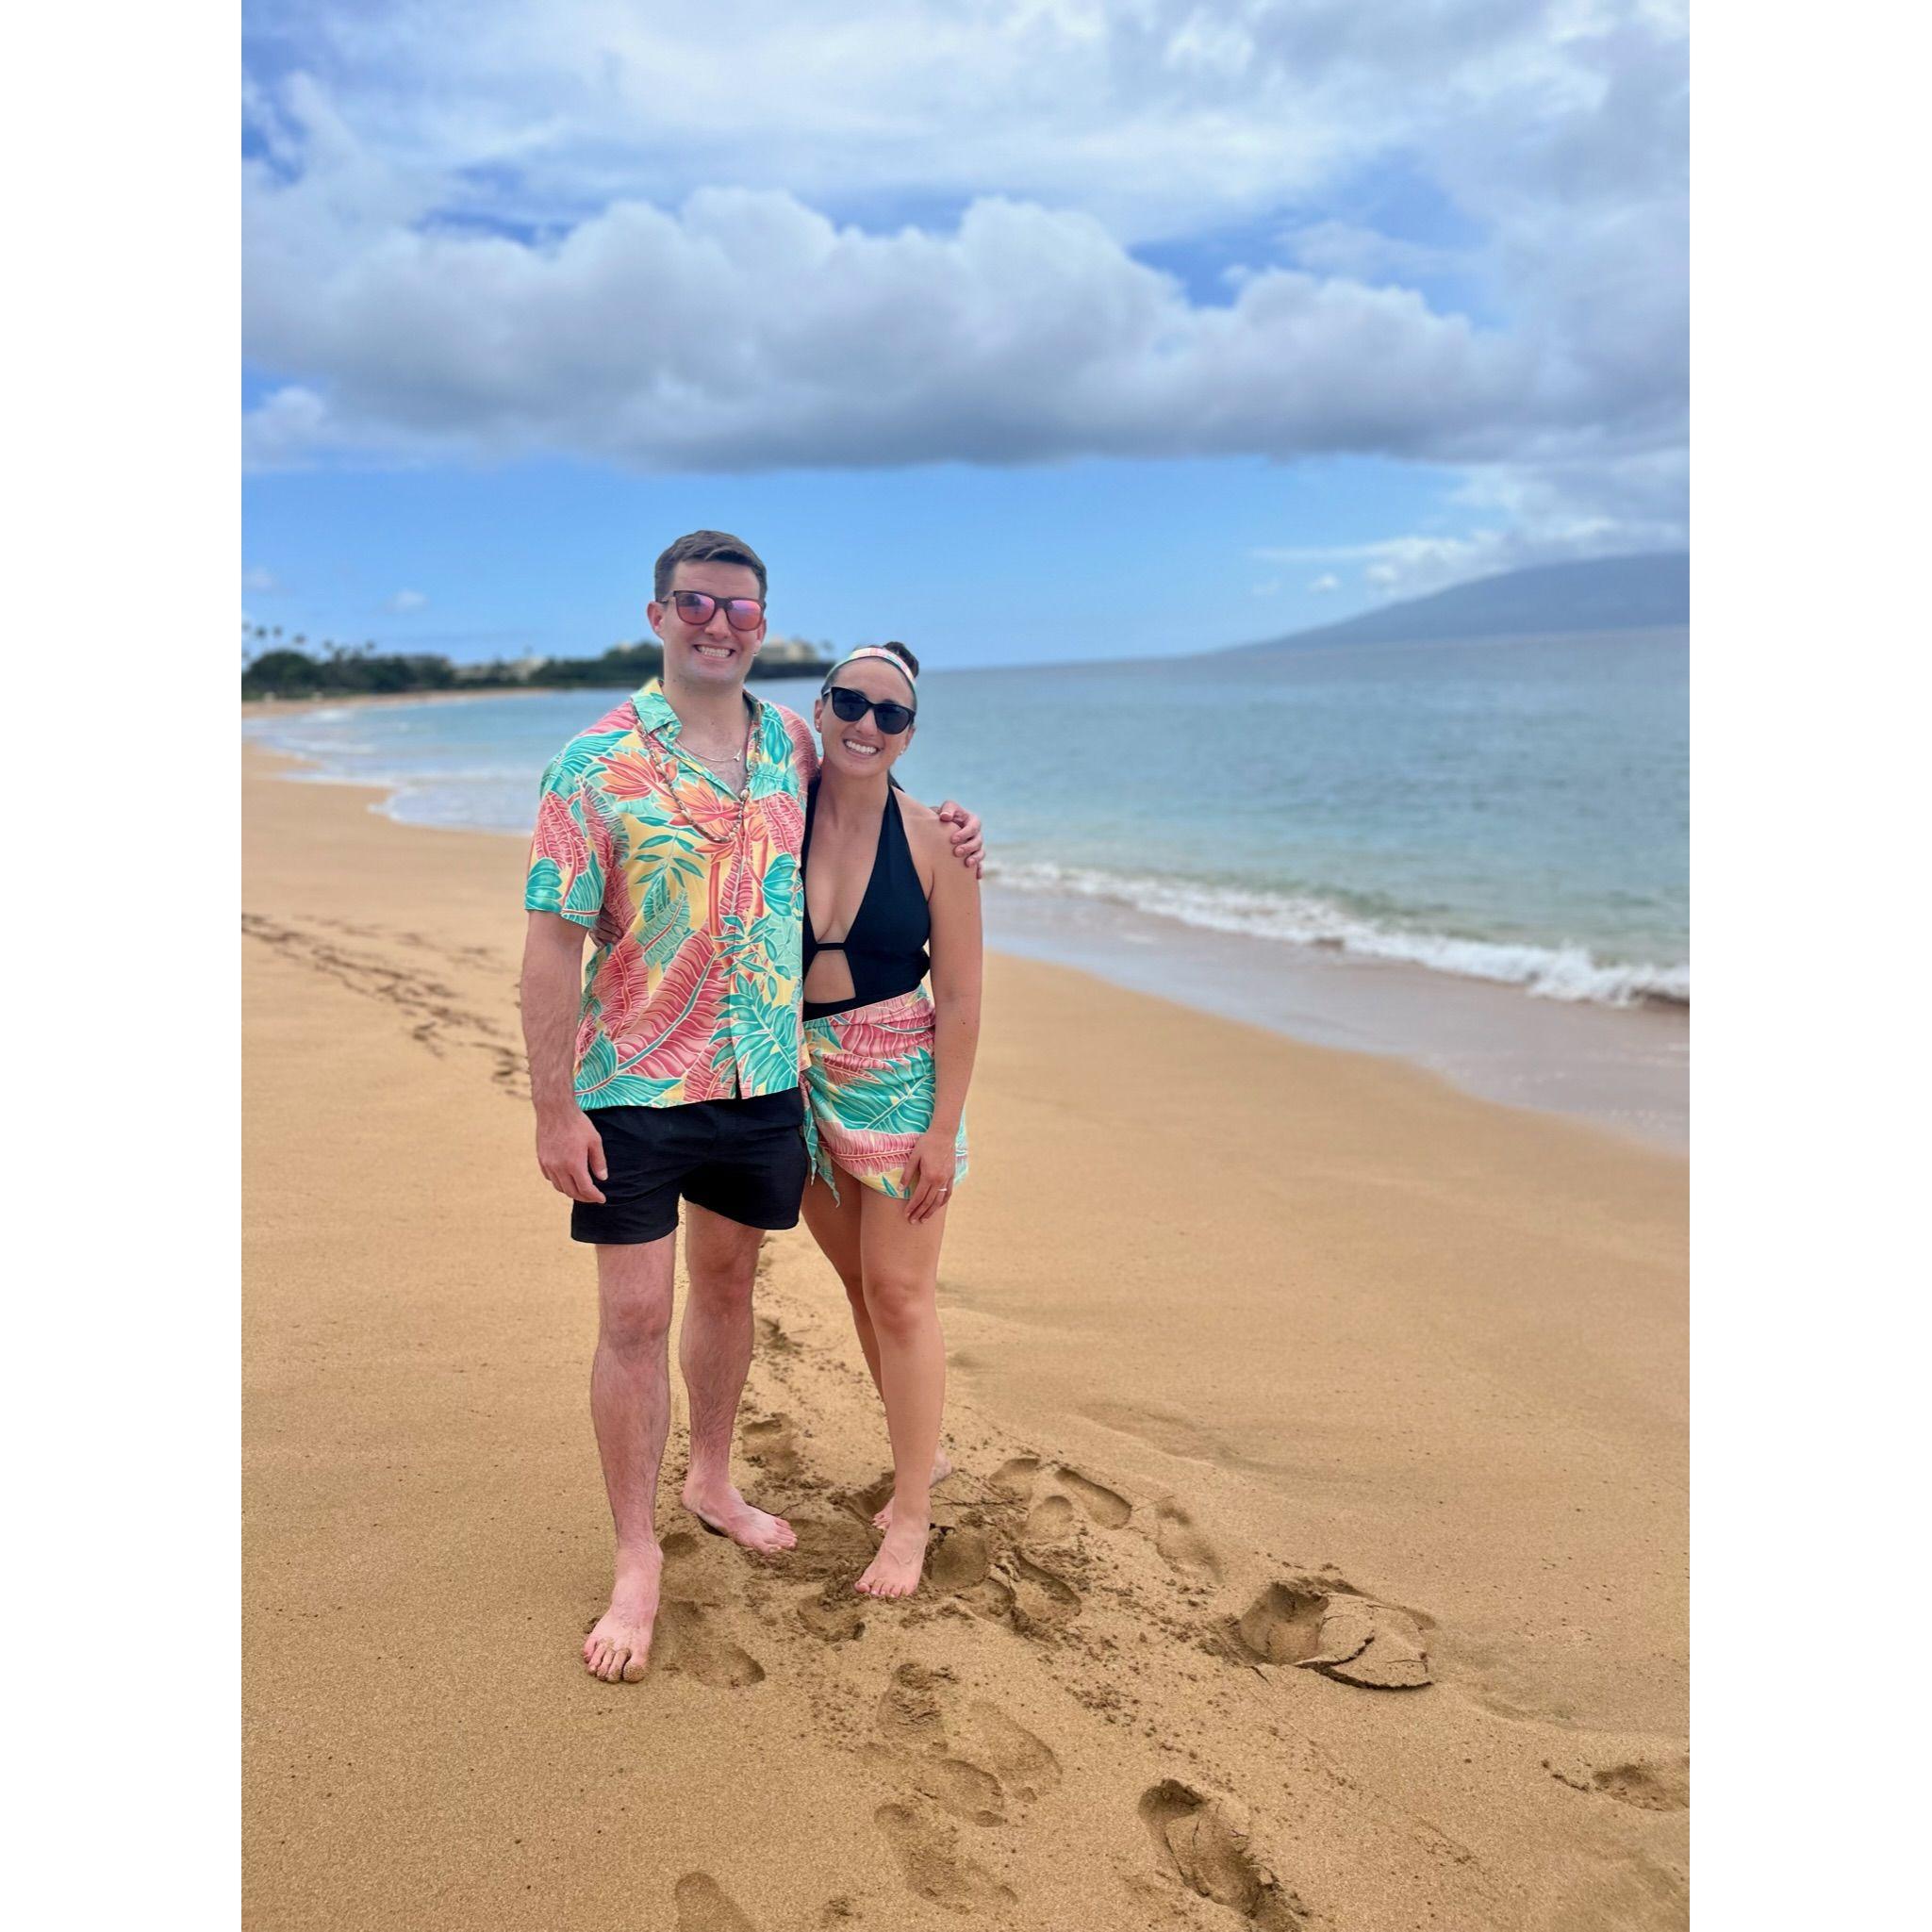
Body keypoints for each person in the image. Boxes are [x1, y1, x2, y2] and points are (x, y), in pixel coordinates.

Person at [518, 531, 983, 1684]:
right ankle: (637, 1561)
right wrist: (551, 1109)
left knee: (730, 1287)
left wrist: (959, 831)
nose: (719, 624)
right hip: (633, 1085)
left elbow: (876, 802)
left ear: (762, 627)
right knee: (632, 1319)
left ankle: (712, 1480)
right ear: (660, 614)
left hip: (766, 1082)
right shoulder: (592, 766)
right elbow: (547, 949)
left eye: (740, 609)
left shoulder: (788, 746)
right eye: (697, 604)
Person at [797, 642, 983, 1598]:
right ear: (820, 708)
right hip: (794, 1077)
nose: (867, 725)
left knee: (903, 1295)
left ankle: (911, 1515)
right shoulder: (773, 811)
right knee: (858, 1285)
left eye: (891, 715)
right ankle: (925, 1456)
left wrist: (943, 1129)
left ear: (910, 734)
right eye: (851, 704)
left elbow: (958, 992)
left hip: (899, 1079)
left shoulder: (938, 842)